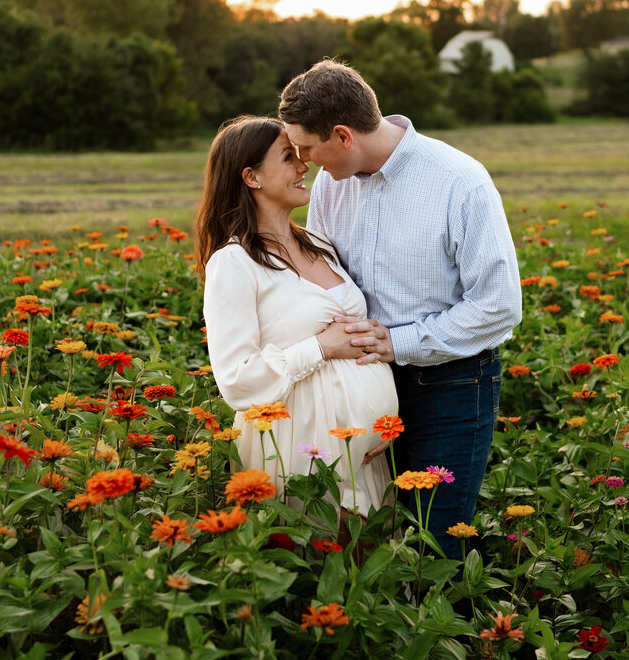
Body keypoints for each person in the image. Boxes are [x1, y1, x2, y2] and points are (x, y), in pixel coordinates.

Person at [278, 59, 522, 558]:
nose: (303, 161)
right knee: (373, 538)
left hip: (451, 386)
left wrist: (399, 342)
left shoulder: (460, 181)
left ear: (343, 136)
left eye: (307, 148)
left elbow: (499, 306)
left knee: (436, 542)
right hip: (365, 384)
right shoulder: (330, 185)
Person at [195, 116, 398, 518]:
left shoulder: (319, 244)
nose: (305, 165)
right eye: (289, 157)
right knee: (316, 561)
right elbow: (236, 380)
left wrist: (384, 419)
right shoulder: (233, 264)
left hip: (367, 456)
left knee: (371, 570)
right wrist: (321, 347)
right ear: (252, 177)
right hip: (298, 448)